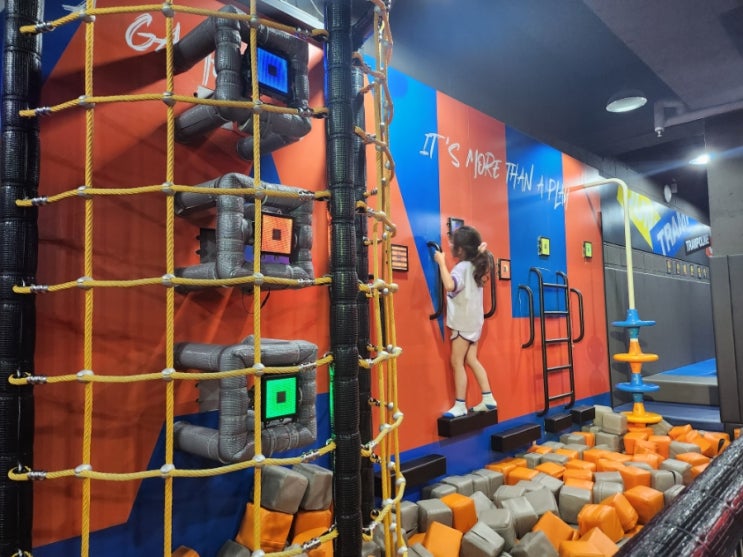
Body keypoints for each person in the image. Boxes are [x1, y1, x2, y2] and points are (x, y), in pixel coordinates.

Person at [433, 225, 497, 418]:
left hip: (463, 323)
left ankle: (460, 404)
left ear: (460, 250)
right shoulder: (476, 264)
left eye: (453, 243)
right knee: (471, 359)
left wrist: (441, 262)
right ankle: (488, 398)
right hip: (475, 323)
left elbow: (450, 285)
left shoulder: (461, 268)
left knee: (456, 362)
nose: (450, 245)